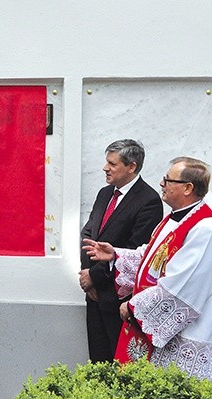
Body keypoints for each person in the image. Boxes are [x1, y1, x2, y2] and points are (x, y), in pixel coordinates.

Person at [83, 156, 212, 380]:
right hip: (164, 334)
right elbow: (150, 258)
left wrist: (134, 308)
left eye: (168, 180)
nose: (161, 184)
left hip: (188, 331)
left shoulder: (204, 228)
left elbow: (183, 282)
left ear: (188, 188)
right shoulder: (174, 220)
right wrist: (116, 254)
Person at [79, 139, 163, 362]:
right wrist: (86, 275)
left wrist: (94, 277)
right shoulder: (104, 194)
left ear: (132, 166)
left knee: (119, 365)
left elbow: (136, 251)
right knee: (97, 362)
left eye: (112, 163)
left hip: (118, 299)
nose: (105, 168)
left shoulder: (149, 201)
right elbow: (88, 235)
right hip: (93, 294)